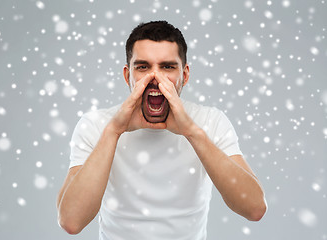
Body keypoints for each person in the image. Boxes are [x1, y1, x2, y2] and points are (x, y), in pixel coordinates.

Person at [57, 20, 267, 239]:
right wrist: (114, 131)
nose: (155, 78)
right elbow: (71, 221)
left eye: (167, 67)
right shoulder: (96, 124)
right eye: (143, 67)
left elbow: (254, 208)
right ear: (127, 75)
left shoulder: (210, 121)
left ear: (184, 75)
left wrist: (192, 132)